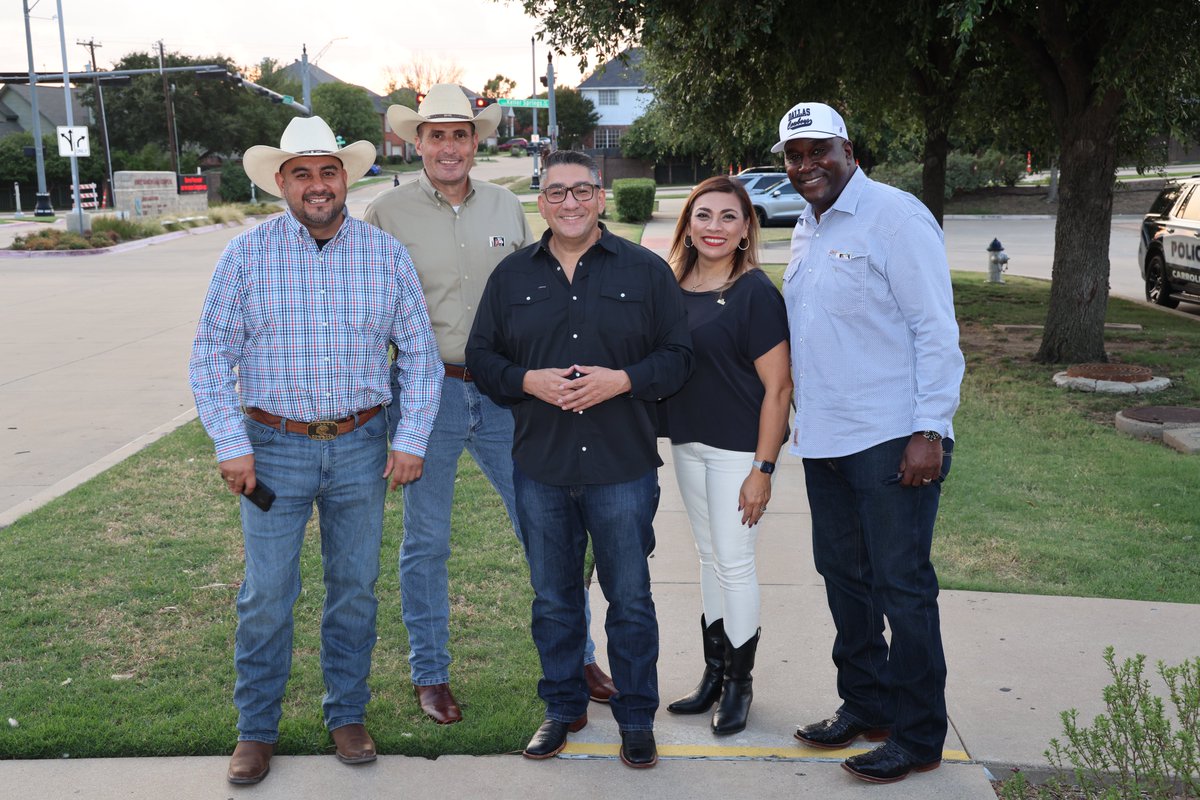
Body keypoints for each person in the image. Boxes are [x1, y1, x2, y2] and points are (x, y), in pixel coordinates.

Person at [188, 116, 443, 785]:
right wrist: (231, 443)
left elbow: (420, 356)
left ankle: (347, 714)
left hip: (361, 445)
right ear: (281, 182)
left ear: (345, 178)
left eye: (328, 171)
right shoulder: (245, 256)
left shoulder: (384, 256)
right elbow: (211, 354)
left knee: (354, 589)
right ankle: (256, 729)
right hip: (273, 447)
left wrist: (410, 439)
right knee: (267, 594)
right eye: (302, 173)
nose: (317, 184)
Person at [362, 85, 615, 726]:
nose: (449, 146)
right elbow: (366, 314)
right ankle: (430, 674)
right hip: (428, 394)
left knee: (544, 529)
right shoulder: (385, 214)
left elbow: (539, 289)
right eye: (436, 135)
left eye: (460, 134)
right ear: (417, 142)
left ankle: (579, 657)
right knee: (426, 542)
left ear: (476, 142)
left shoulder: (507, 204)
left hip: (509, 393)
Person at [466, 150, 692, 769]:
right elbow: (481, 358)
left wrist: (623, 379)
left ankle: (636, 719)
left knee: (631, 599)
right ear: (541, 202)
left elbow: (679, 357)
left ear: (601, 197)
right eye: (556, 192)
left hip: (622, 467)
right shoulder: (511, 276)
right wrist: (525, 381)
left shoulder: (645, 272)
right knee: (553, 599)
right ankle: (562, 708)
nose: (570, 202)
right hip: (541, 467)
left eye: (582, 191)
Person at [776, 102, 965, 784]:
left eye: (818, 151)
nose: (806, 165)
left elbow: (935, 330)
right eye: (794, 155)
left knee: (901, 588)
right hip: (826, 439)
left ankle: (918, 736)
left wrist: (929, 430)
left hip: (892, 439)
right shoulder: (807, 225)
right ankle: (867, 703)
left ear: (848, 151)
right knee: (844, 579)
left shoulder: (895, 217)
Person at [658, 176, 792, 735]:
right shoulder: (671, 284)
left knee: (734, 563)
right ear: (688, 224)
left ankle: (739, 684)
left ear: (745, 230)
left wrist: (763, 469)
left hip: (739, 451)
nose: (715, 227)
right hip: (688, 441)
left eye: (728, 217)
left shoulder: (754, 292)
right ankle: (714, 673)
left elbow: (779, 388)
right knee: (709, 557)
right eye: (704, 215)